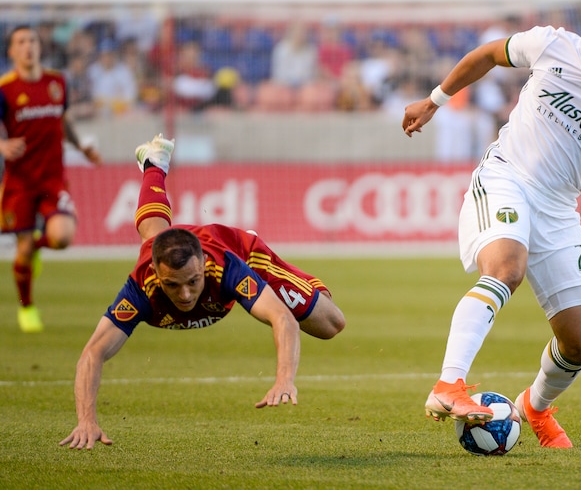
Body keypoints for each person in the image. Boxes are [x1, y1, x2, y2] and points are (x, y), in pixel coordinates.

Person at [402, 0, 581, 448]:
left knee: (579, 343)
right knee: (505, 269)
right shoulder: (550, 44)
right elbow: (487, 54)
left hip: (558, 208)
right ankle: (449, 384)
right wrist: (435, 100)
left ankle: (535, 406)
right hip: (507, 176)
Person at [59, 134, 345, 450]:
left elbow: (282, 318)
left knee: (331, 324)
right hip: (174, 253)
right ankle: (154, 163)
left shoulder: (226, 268)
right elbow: (93, 352)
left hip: (244, 252)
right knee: (152, 237)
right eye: (172, 284)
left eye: (193, 282)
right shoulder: (141, 286)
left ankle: (301, 284)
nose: (184, 295)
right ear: (155, 273)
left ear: (204, 267)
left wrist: (284, 379)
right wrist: (86, 420)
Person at [0, 24, 101, 333]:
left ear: (39, 46)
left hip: (53, 180)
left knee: (62, 237)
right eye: (21, 42)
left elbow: (63, 120)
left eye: (32, 40)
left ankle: (36, 247)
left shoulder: (57, 82)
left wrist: (81, 146)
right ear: (12, 51)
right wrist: (2, 145)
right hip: (19, 182)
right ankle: (27, 308)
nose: (28, 46)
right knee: (22, 250)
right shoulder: (5, 88)